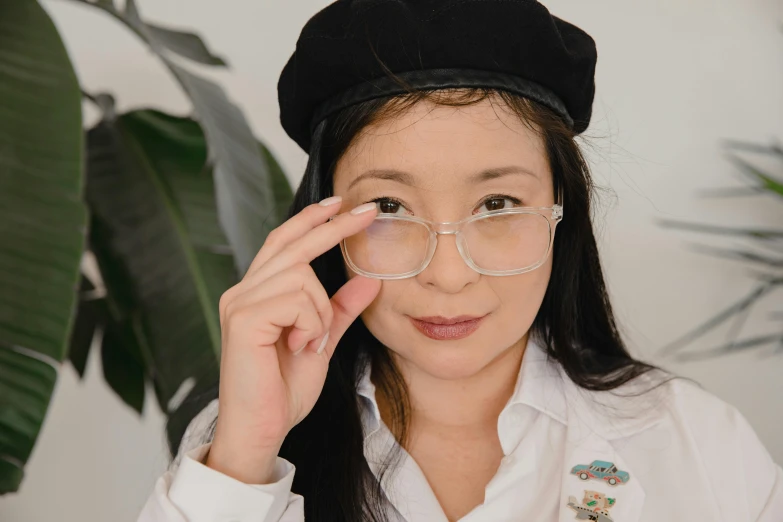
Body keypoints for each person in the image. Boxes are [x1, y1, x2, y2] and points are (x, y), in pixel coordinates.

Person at [138, 1, 783, 521]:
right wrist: (246, 455)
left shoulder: (697, 443)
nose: (448, 275)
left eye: (497, 203)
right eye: (389, 207)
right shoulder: (237, 449)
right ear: (325, 225)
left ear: (562, 212)